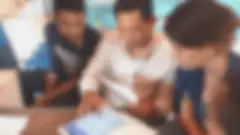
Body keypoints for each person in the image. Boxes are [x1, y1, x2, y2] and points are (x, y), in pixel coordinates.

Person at [77, 0, 175, 118]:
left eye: (135, 30)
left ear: (152, 22)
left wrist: (152, 103)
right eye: (122, 29)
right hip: (111, 113)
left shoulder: (170, 51)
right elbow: (89, 76)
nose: (127, 37)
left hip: (148, 120)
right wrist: (90, 96)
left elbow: (165, 106)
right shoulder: (111, 41)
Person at [157, 0, 240, 126]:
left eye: (180, 49)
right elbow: (184, 112)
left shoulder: (235, 81)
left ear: (210, 47)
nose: (174, 56)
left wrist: (210, 112)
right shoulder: (189, 70)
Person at [34, 0, 101, 107]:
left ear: (85, 17)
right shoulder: (50, 30)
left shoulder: (94, 40)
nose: (73, 31)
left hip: (81, 86)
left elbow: (81, 78)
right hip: (60, 80)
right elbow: (52, 68)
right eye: (65, 24)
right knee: (22, 83)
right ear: (55, 19)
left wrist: (47, 97)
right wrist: (48, 89)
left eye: (79, 24)